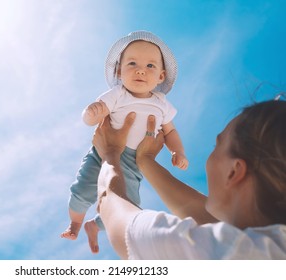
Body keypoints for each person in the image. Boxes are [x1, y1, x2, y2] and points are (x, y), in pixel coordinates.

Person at [94, 99, 286, 259]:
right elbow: (198, 213)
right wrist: (145, 161)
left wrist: (110, 153)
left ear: (234, 171)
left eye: (216, 146)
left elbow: (118, 219)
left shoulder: (236, 254)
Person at [61, 31, 189, 253]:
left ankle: (95, 226)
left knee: (128, 203)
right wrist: (92, 114)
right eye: (132, 63)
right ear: (119, 71)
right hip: (102, 153)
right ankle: (75, 223)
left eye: (150, 66)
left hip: (133, 163)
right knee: (82, 190)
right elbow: (96, 111)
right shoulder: (118, 94)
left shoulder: (162, 104)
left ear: (161, 76)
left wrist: (177, 152)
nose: (141, 70)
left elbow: (171, 132)